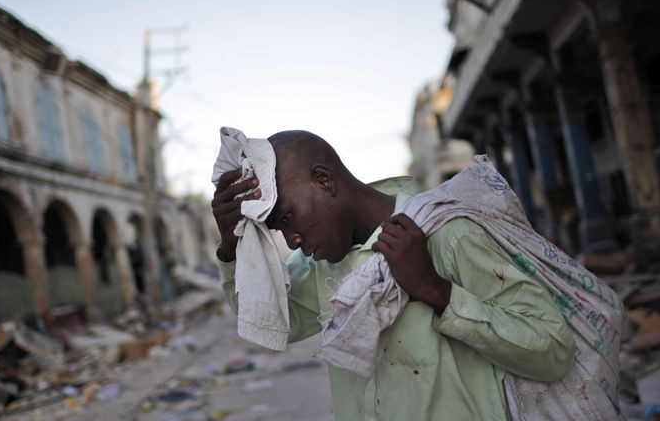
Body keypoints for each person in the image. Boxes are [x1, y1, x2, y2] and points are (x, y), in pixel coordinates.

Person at [212, 130, 577, 420]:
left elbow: (553, 350)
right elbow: (274, 323)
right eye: (278, 230)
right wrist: (232, 248)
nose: (292, 241)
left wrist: (435, 290)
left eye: (288, 218)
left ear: (323, 180)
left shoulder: (447, 233)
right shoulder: (319, 265)